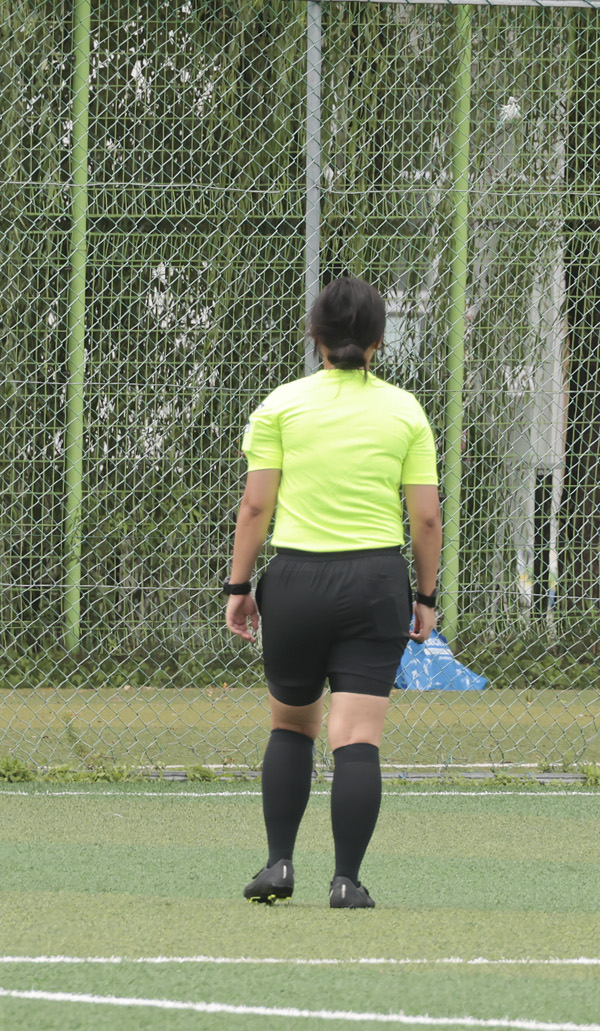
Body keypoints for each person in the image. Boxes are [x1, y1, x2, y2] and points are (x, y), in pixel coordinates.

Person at [225, 276, 441, 910]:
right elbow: (426, 518)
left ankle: (278, 865)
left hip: (295, 582)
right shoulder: (405, 411)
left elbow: (255, 505)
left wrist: (239, 585)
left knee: (292, 725)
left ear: (314, 335)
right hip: (375, 583)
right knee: (356, 737)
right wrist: (426, 597)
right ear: (379, 342)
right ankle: (347, 881)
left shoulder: (281, 405)